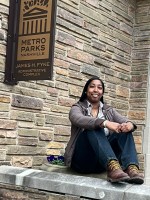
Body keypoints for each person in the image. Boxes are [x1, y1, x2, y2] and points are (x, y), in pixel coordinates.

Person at [64, 76, 144, 184]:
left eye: (99, 87)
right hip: (82, 160)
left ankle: (131, 168)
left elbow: (124, 120)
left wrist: (129, 125)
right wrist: (104, 123)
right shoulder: (77, 107)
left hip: (101, 162)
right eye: (92, 87)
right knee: (93, 126)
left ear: (102, 92)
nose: (96, 90)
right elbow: (78, 119)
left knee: (125, 131)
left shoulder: (108, 110)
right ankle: (112, 166)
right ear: (86, 91)